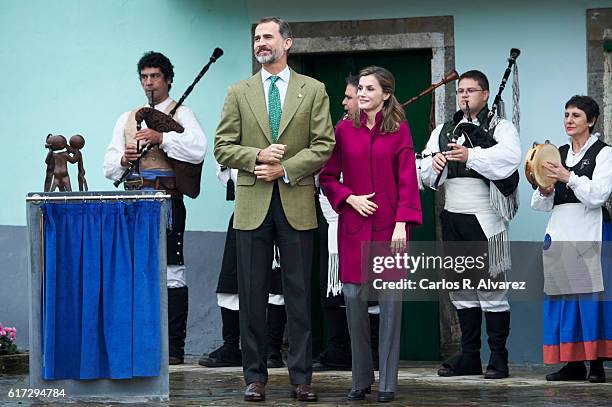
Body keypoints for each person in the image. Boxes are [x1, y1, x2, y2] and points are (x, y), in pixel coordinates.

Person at [214, 17, 335, 402]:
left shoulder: (313, 90)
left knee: (299, 293)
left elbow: (323, 145)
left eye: (267, 37)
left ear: (288, 43)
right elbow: (222, 146)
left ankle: (302, 377)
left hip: (296, 200)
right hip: (252, 204)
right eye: (256, 37)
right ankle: (255, 376)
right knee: (251, 295)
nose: (261, 43)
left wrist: (285, 168)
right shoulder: (239, 91)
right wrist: (256, 157)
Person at [320, 66, 422, 403]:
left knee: (391, 306)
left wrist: (401, 224)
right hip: (353, 227)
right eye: (360, 89)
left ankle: (387, 383)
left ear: (386, 94)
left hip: (390, 231)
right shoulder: (343, 130)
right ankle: (360, 379)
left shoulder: (400, 132)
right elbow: (328, 177)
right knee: (353, 299)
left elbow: (408, 181)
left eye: (369, 89)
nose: (361, 94)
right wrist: (349, 198)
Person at [104, 51, 207, 365]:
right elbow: (109, 164)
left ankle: (174, 348)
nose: (149, 82)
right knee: (135, 270)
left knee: (172, 271)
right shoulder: (127, 117)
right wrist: (123, 159)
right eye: (144, 77)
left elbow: (198, 148)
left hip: (167, 202)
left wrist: (162, 137)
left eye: (155, 76)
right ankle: (139, 341)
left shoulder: (183, 113)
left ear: (168, 79)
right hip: (133, 203)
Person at [420, 70, 521, 379]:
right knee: (461, 289)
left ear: (485, 94)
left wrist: (470, 155)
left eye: (471, 90)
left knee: (491, 289)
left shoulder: (500, 127)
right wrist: (433, 165)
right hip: (452, 216)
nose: (464, 96)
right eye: (460, 91)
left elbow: (510, 159)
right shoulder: (443, 130)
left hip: (486, 218)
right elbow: (422, 171)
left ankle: (499, 358)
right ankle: (470, 355)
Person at [531, 95, 612, 383]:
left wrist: (569, 177)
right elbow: (539, 205)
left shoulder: (604, 154)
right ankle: (572, 363)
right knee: (563, 298)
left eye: (576, 115)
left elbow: (598, 196)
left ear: (591, 121)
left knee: (591, 298)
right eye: (566, 114)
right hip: (561, 228)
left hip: (590, 229)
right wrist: (544, 190)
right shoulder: (556, 152)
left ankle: (596, 364)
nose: (569, 120)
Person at [315, 74, 380, 372]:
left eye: (349, 96)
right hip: (335, 220)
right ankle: (340, 349)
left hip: (368, 220)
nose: (343, 101)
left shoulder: (385, 133)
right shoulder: (338, 132)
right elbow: (327, 174)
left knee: (372, 289)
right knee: (335, 287)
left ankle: (375, 353)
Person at [198, 163, 287, 369]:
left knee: (275, 283)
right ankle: (231, 347)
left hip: (280, 208)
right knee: (231, 281)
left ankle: (271, 349)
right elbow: (225, 172)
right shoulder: (238, 136)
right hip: (244, 209)